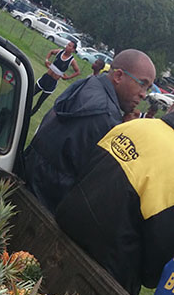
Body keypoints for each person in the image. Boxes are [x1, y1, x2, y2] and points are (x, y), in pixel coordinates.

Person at [55, 108, 174, 295]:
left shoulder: (135, 125)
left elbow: (82, 172)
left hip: (59, 236)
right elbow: (156, 265)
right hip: (104, 282)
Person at [22, 48, 155, 214]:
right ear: (119, 76)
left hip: (26, 176)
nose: (144, 95)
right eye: (142, 84)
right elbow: (95, 184)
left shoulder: (88, 84)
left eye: (148, 88)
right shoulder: (106, 117)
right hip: (44, 208)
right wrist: (121, 131)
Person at [30, 40, 80, 115]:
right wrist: (46, 60)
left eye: (69, 46)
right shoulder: (59, 51)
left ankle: (29, 115)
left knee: (39, 102)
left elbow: (78, 72)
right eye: (67, 45)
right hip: (45, 78)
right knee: (31, 94)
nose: (67, 46)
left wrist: (68, 77)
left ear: (73, 50)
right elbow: (51, 52)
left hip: (52, 83)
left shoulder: (72, 61)